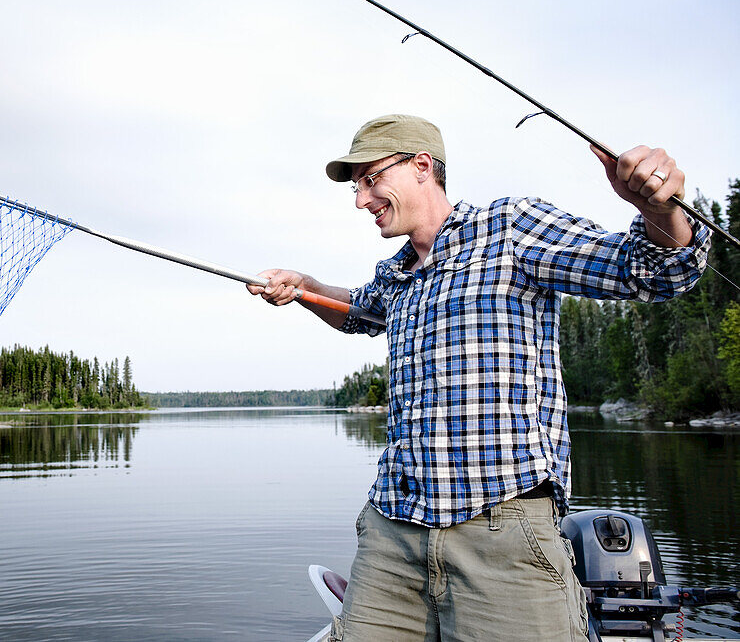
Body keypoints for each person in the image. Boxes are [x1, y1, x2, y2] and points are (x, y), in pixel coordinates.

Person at [247, 114, 710, 642]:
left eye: (371, 179)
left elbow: (651, 271)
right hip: (391, 533)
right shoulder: (397, 275)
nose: (361, 200)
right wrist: (305, 286)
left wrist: (659, 209)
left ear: (422, 166)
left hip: (504, 537)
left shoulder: (511, 228)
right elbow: (353, 311)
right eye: (356, 187)